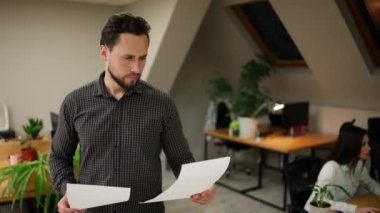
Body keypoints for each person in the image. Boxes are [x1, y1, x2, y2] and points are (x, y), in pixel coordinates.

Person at [49, 12, 216, 213]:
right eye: (128, 58)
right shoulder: (75, 102)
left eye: (142, 58)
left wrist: (200, 183)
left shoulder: (162, 104)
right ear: (104, 52)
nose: (136, 68)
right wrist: (68, 191)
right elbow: (59, 157)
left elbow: (180, 158)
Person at [304, 120, 380, 213]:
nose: (369, 148)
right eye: (363, 144)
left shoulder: (358, 165)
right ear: (352, 146)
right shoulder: (331, 168)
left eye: (368, 143)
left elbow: (369, 183)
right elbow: (319, 202)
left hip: (338, 210)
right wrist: (354, 209)